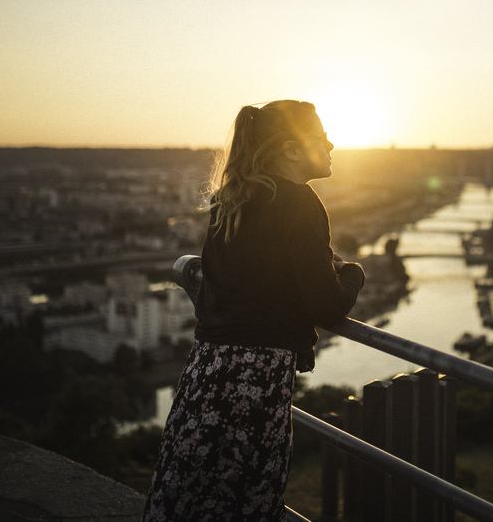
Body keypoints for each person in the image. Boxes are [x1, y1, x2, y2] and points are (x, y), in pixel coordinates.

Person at [143, 100, 365, 521]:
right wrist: (352, 273)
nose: (332, 143)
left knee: (187, 490)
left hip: (206, 371)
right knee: (246, 498)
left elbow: (240, 283)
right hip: (257, 381)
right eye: (321, 137)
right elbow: (326, 305)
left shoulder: (232, 199)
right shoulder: (300, 202)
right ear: (291, 149)